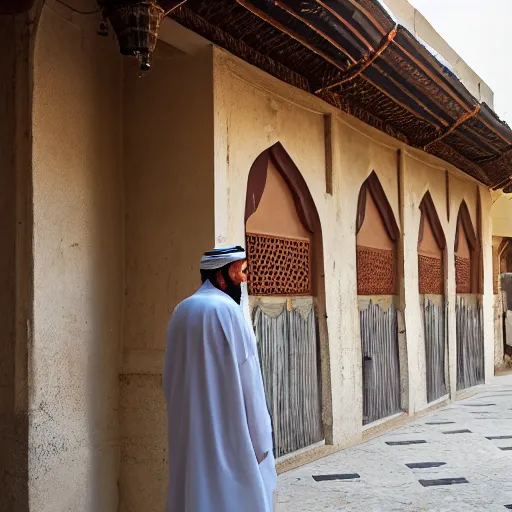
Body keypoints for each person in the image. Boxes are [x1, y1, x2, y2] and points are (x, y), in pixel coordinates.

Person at [163, 245, 277, 512]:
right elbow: (250, 382)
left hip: (189, 436)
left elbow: (169, 380)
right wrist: (261, 443)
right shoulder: (228, 312)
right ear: (222, 275)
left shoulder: (181, 310)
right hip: (231, 440)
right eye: (241, 273)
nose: (244, 281)